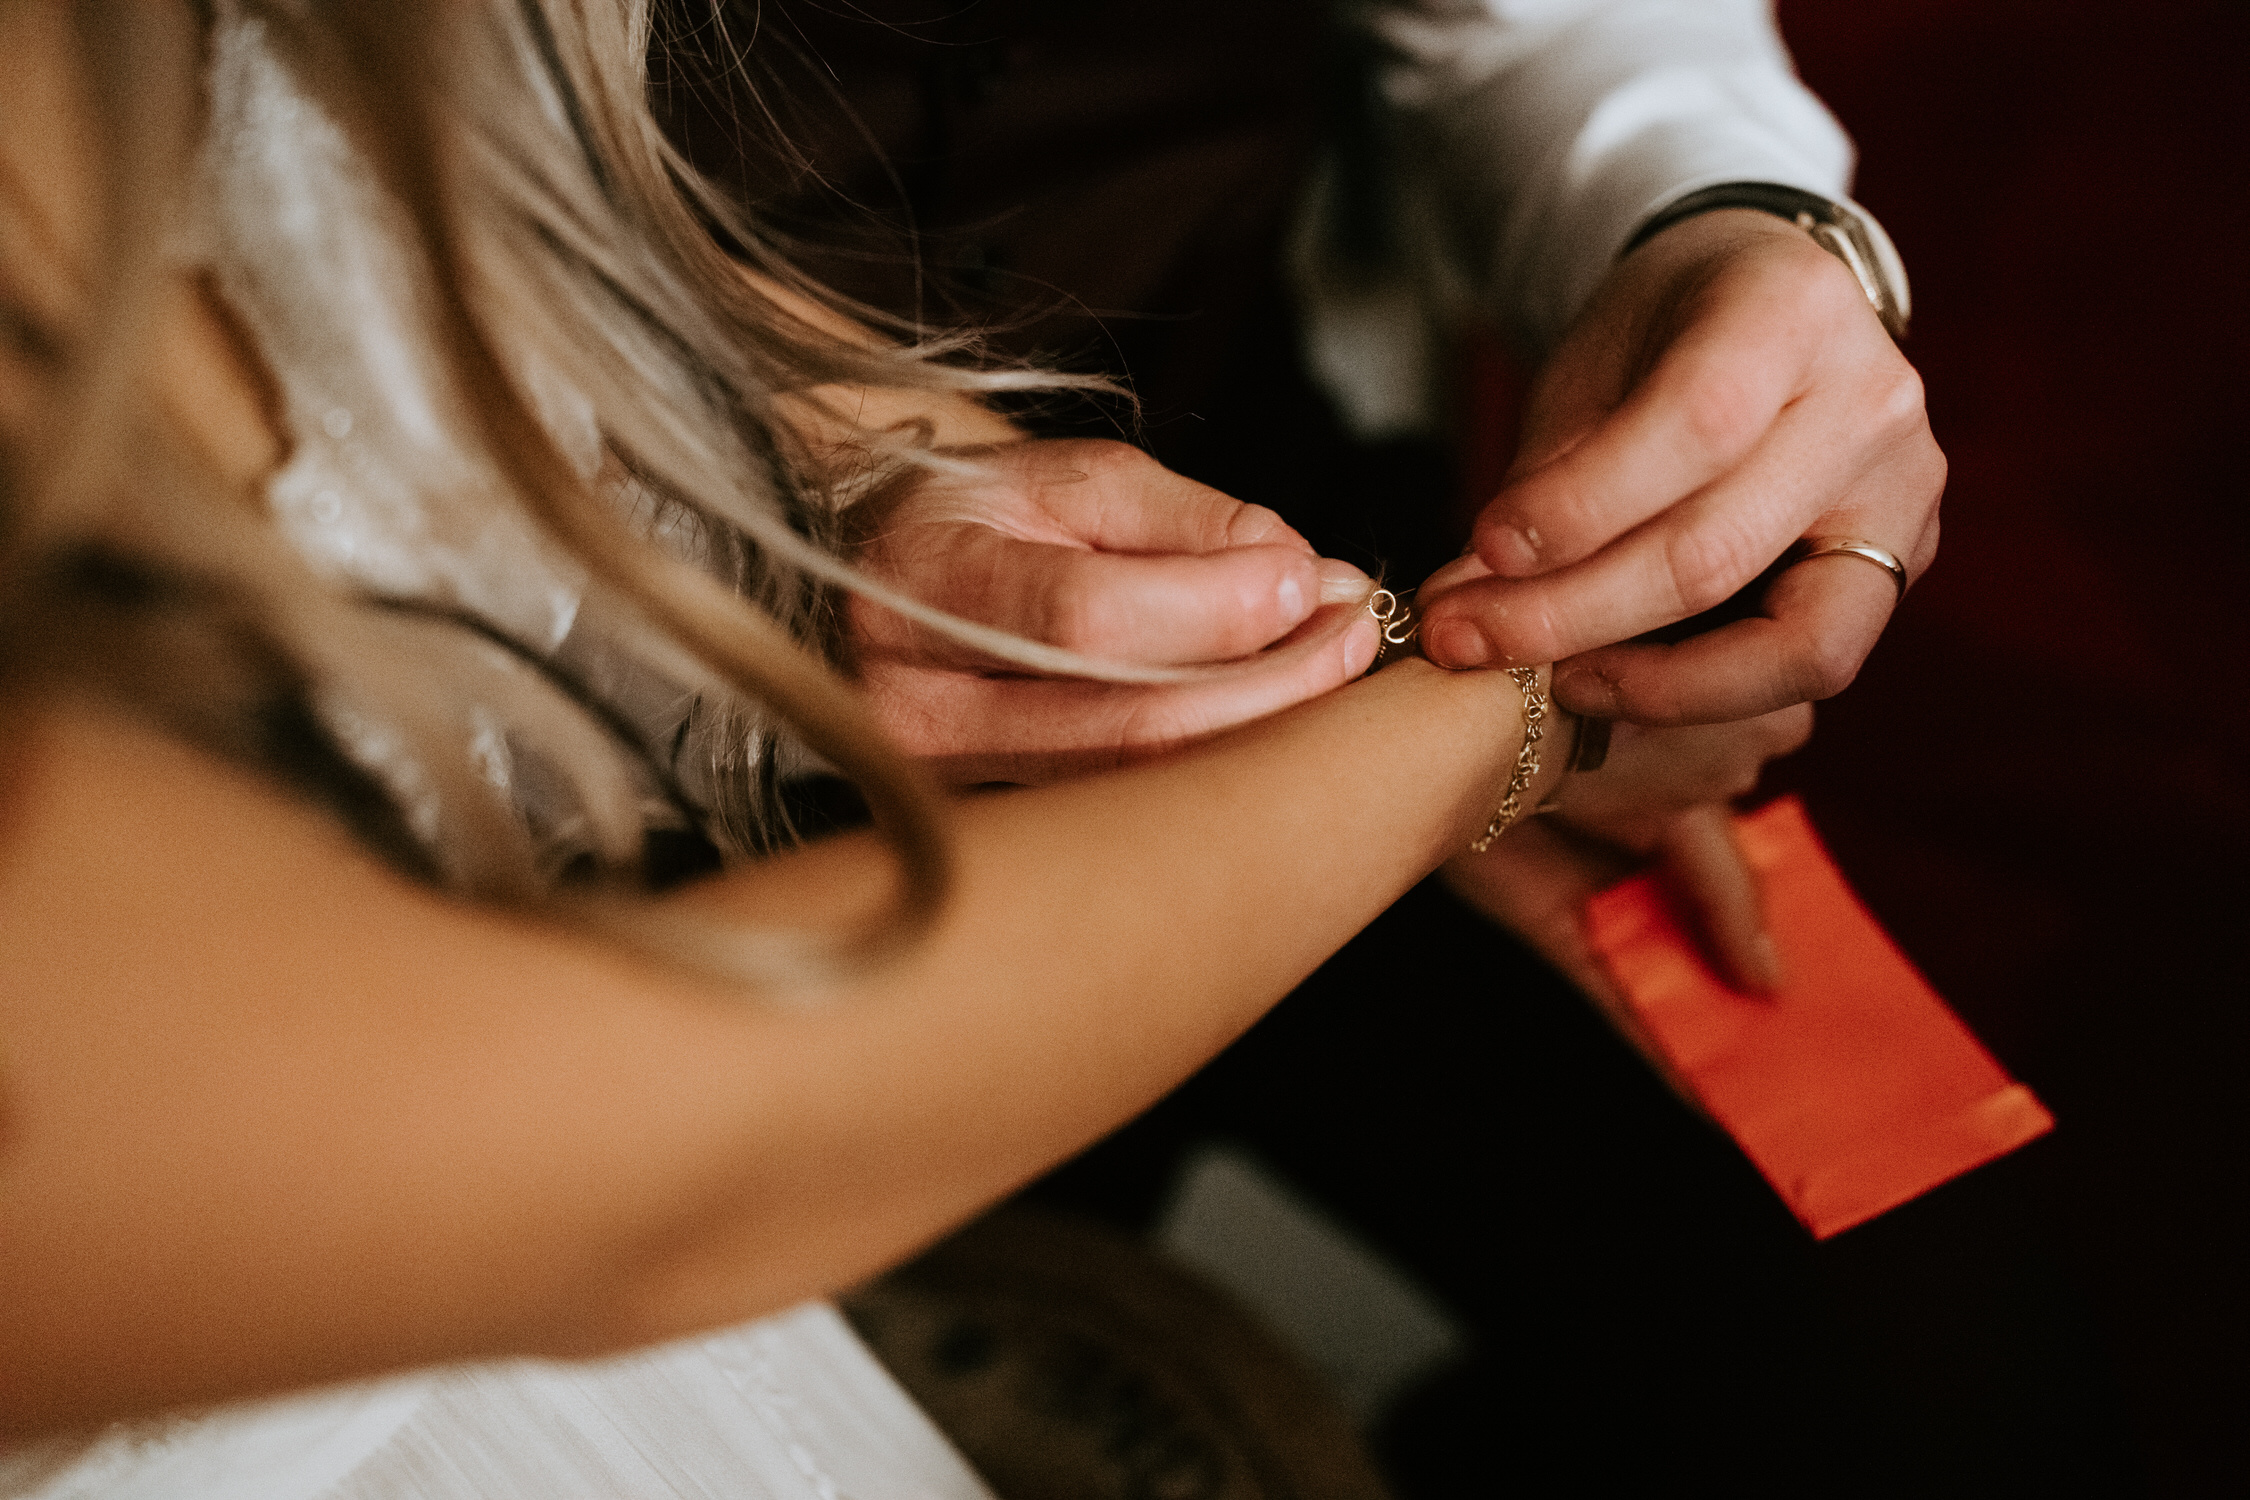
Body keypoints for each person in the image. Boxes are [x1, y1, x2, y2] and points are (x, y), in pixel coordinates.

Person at [0, 0, 1799, 1489]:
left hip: (1194, 532)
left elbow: (435, 270)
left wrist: (871, 478)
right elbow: (678, 1171)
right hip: (586, 1119)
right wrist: (1511, 721)